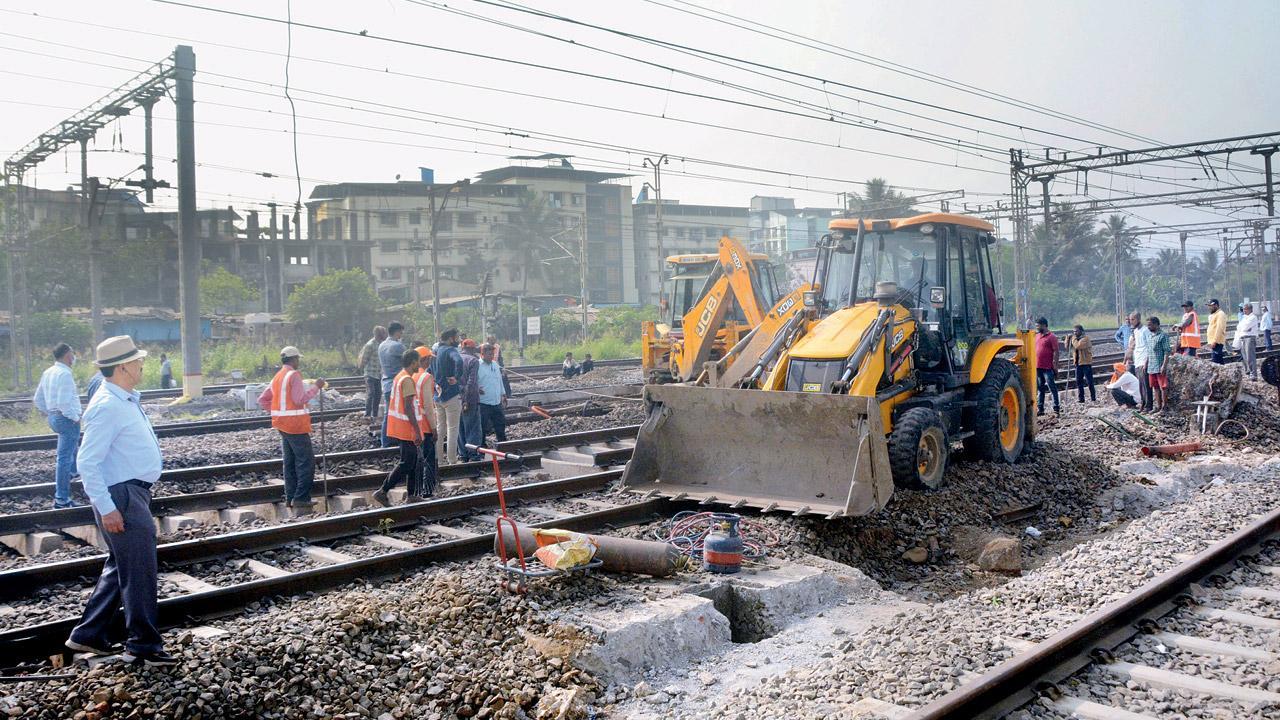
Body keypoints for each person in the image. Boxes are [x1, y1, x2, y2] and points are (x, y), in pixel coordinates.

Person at [65, 335, 177, 666]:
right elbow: (87, 462)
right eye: (138, 360)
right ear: (124, 366)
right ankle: (143, 646)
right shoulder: (107, 405)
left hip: (129, 494)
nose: (143, 363)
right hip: (122, 496)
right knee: (140, 571)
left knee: (121, 569)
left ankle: (88, 635)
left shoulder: (122, 399)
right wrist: (108, 506)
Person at [257, 347, 326, 513]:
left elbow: (263, 400)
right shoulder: (294, 375)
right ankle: (301, 498)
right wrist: (316, 387)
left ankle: (290, 498)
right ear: (294, 359)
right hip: (295, 426)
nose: (298, 362)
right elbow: (299, 399)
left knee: (289, 463)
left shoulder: (278, 376)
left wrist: (279, 413)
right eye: (298, 359)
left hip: (282, 425)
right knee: (306, 462)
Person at [373, 350, 424, 507]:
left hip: (399, 427)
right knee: (407, 462)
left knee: (413, 460)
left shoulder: (399, 377)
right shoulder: (407, 380)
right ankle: (383, 491)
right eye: (418, 362)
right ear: (413, 362)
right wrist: (416, 430)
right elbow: (408, 407)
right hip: (406, 428)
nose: (419, 365)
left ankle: (412, 495)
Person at [33, 343, 82, 508]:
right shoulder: (65, 374)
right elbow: (64, 403)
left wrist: (51, 412)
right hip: (66, 418)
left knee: (71, 451)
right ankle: (61, 499)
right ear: (68, 355)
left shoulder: (48, 372)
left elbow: (38, 399)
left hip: (54, 417)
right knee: (64, 459)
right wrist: (74, 417)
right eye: (73, 354)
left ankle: (75, 472)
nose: (74, 357)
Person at [430, 328, 464, 466]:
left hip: (438, 396)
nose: (459, 340)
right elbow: (459, 362)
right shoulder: (451, 350)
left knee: (440, 428)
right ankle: (452, 460)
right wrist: (456, 377)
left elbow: (430, 371)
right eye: (457, 338)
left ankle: (439, 460)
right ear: (451, 338)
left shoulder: (436, 352)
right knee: (452, 429)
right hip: (451, 395)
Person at [411, 345, 438, 497]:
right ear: (425, 359)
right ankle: (428, 490)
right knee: (429, 458)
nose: (430, 362)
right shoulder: (426, 377)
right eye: (429, 359)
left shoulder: (411, 375)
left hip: (414, 424)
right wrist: (434, 428)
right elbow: (428, 405)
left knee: (417, 459)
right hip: (425, 425)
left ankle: (417, 490)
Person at [377, 322, 407, 447]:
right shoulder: (397, 346)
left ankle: (386, 441)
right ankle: (401, 439)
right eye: (401, 332)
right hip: (398, 384)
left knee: (389, 414)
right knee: (403, 413)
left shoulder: (382, 345)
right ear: (397, 331)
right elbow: (411, 359)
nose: (401, 334)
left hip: (386, 384)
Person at [477, 343, 507, 444]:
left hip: (496, 402)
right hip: (484, 402)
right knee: (483, 426)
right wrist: (476, 389)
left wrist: (503, 394)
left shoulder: (495, 365)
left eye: (492, 354)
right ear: (482, 354)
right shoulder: (477, 365)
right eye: (489, 354)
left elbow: (499, 380)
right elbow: (472, 381)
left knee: (500, 424)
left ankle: (502, 444)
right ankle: (481, 447)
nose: (491, 356)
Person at [458, 339, 482, 462]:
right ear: (473, 349)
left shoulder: (455, 358)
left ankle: (463, 455)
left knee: (460, 428)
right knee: (473, 428)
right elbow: (471, 383)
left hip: (456, 398)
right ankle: (474, 455)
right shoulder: (473, 361)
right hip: (470, 399)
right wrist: (466, 400)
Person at [357, 326, 389, 422]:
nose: (385, 335)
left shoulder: (382, 344)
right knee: (371, 393)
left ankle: (374, 415)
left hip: (378, 374)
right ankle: (367, 414)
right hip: (370, 373)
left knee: (378, 394)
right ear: (379, 334)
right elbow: (364, 359)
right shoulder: (370, 345)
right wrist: (360, 368)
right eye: (383, 333)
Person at [1145, 317, 1172, 412]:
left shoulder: (1163, 335)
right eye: (1148, 325)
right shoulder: (1150, 336)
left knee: (1163, 387)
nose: (1148, 327)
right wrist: (1146, 363)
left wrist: (1164, 365)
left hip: (1160, 365)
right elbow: (1149, 351)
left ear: (1156, 324)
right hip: (1151, 366)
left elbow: (1167, 351)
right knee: (1155, 387)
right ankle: (1158, 406)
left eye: (1150, 325)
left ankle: (1164, 407)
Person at [1034, 317, 1060, 416]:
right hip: (1038, 367)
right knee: (1040, 388)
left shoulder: (1051, 337)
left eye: (1038, 325)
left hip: (1048, 367)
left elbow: (1056, 352)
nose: (1037, 327)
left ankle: (1056, 408)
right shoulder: (1036, 336)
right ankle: (1040, 409)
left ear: (1044, 325)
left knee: (1051, 387)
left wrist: (1055, 365)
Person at [1130, 314, 1154, 412]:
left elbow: (1149, 346)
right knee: (1141, 384)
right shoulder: (1135, 331)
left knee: (1146, 384)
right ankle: (1143, 404)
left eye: (1133, 319)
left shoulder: (1145, 330)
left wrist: (1146, 361)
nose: (1131, 321)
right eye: (1130, 319)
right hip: (1138, 360)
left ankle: (1149, 405)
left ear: (1138, 319)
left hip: (1144, 360)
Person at [1066, 325, 1095, 403]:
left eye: (1076, 331)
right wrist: (1067, 339)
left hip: (1086, 363)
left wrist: (1073, 338)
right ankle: (1081, 399)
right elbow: (1067, 347)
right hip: (1078, 363)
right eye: (1074, 331)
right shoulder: (1075, 339)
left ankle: (1093, 398)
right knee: (1079, 382)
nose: (1075, 333)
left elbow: (1078, 346)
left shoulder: (1086, 339)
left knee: (1089, 381)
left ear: (1081, 331)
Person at [1238, 303, 1260, 379]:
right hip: (1243, 338)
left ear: (1250, 309)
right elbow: (1239, 327)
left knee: (1250, 356)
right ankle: (1248, 371)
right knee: (1245, 356)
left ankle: (1253, 374)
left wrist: (1244, 328)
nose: (1244, 310)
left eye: (1245, 309)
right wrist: (1244, 328)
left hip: (1250, 338)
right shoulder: (1245, 317)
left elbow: (1244, 327)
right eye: (1243, 309)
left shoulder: (1253, 317)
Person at [1206, 298, 1227, 364]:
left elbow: (1219, 329)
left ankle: (1222, 373)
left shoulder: (1220, 314)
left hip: (1217, 342)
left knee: (1216, 361)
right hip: (1214, 342)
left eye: (1211, 306)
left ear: (1216, 305)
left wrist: (1215, 341)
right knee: (1218, 360)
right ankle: (1223, 373)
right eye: (1209, 306)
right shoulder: (1213, 315)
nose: (1209, 307)